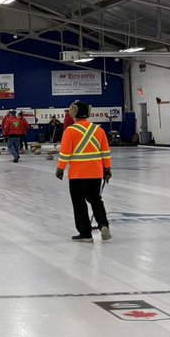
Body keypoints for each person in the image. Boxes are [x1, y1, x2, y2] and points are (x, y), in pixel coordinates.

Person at [55, 101, 112, 243]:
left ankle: (85, 233)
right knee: (96, 200)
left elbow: (65, 153)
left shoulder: (70, 131)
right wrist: (107, 169)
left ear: (74, 113)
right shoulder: (98, 130)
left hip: (77, 174)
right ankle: (103, 224)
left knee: (79, 203)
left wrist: (60, 169)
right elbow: (105, 152)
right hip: (96, 173)